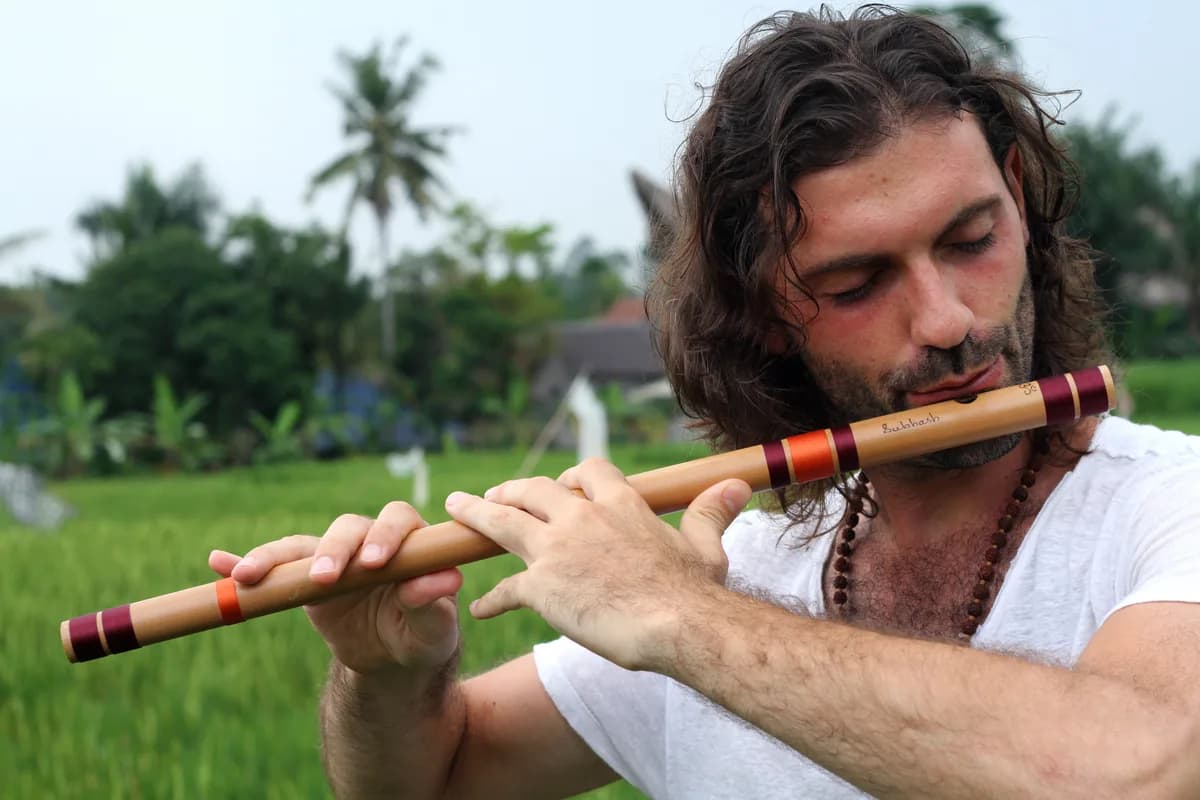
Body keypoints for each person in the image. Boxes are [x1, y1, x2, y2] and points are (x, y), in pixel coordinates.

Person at [209, 6, 1200, 798]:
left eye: (971, 237)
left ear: (1018, 195)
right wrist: (382, 672)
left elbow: (1134, 769)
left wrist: (681, 618)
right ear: (767, 311)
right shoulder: (741, 568)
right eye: (858, 284)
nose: (946, 319)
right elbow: (433, 776)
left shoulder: (1168, 506)